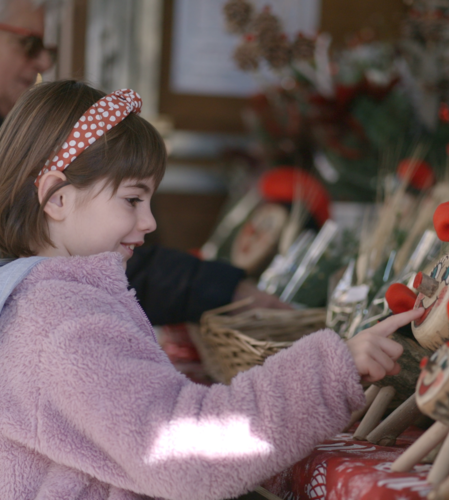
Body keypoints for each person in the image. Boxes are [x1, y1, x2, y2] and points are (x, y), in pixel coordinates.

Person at [0, 80, 424, 500]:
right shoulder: (65, 322)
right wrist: (330, 372)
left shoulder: (35, 302)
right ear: (56, 199)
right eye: (132, 199)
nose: (148, 222)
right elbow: (186, 454)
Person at [0, 0, 290, 326]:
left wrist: (221, 287)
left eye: (47, 47)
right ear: (57, 197)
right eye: (29, 44)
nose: (42, 60)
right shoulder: (64, 320)